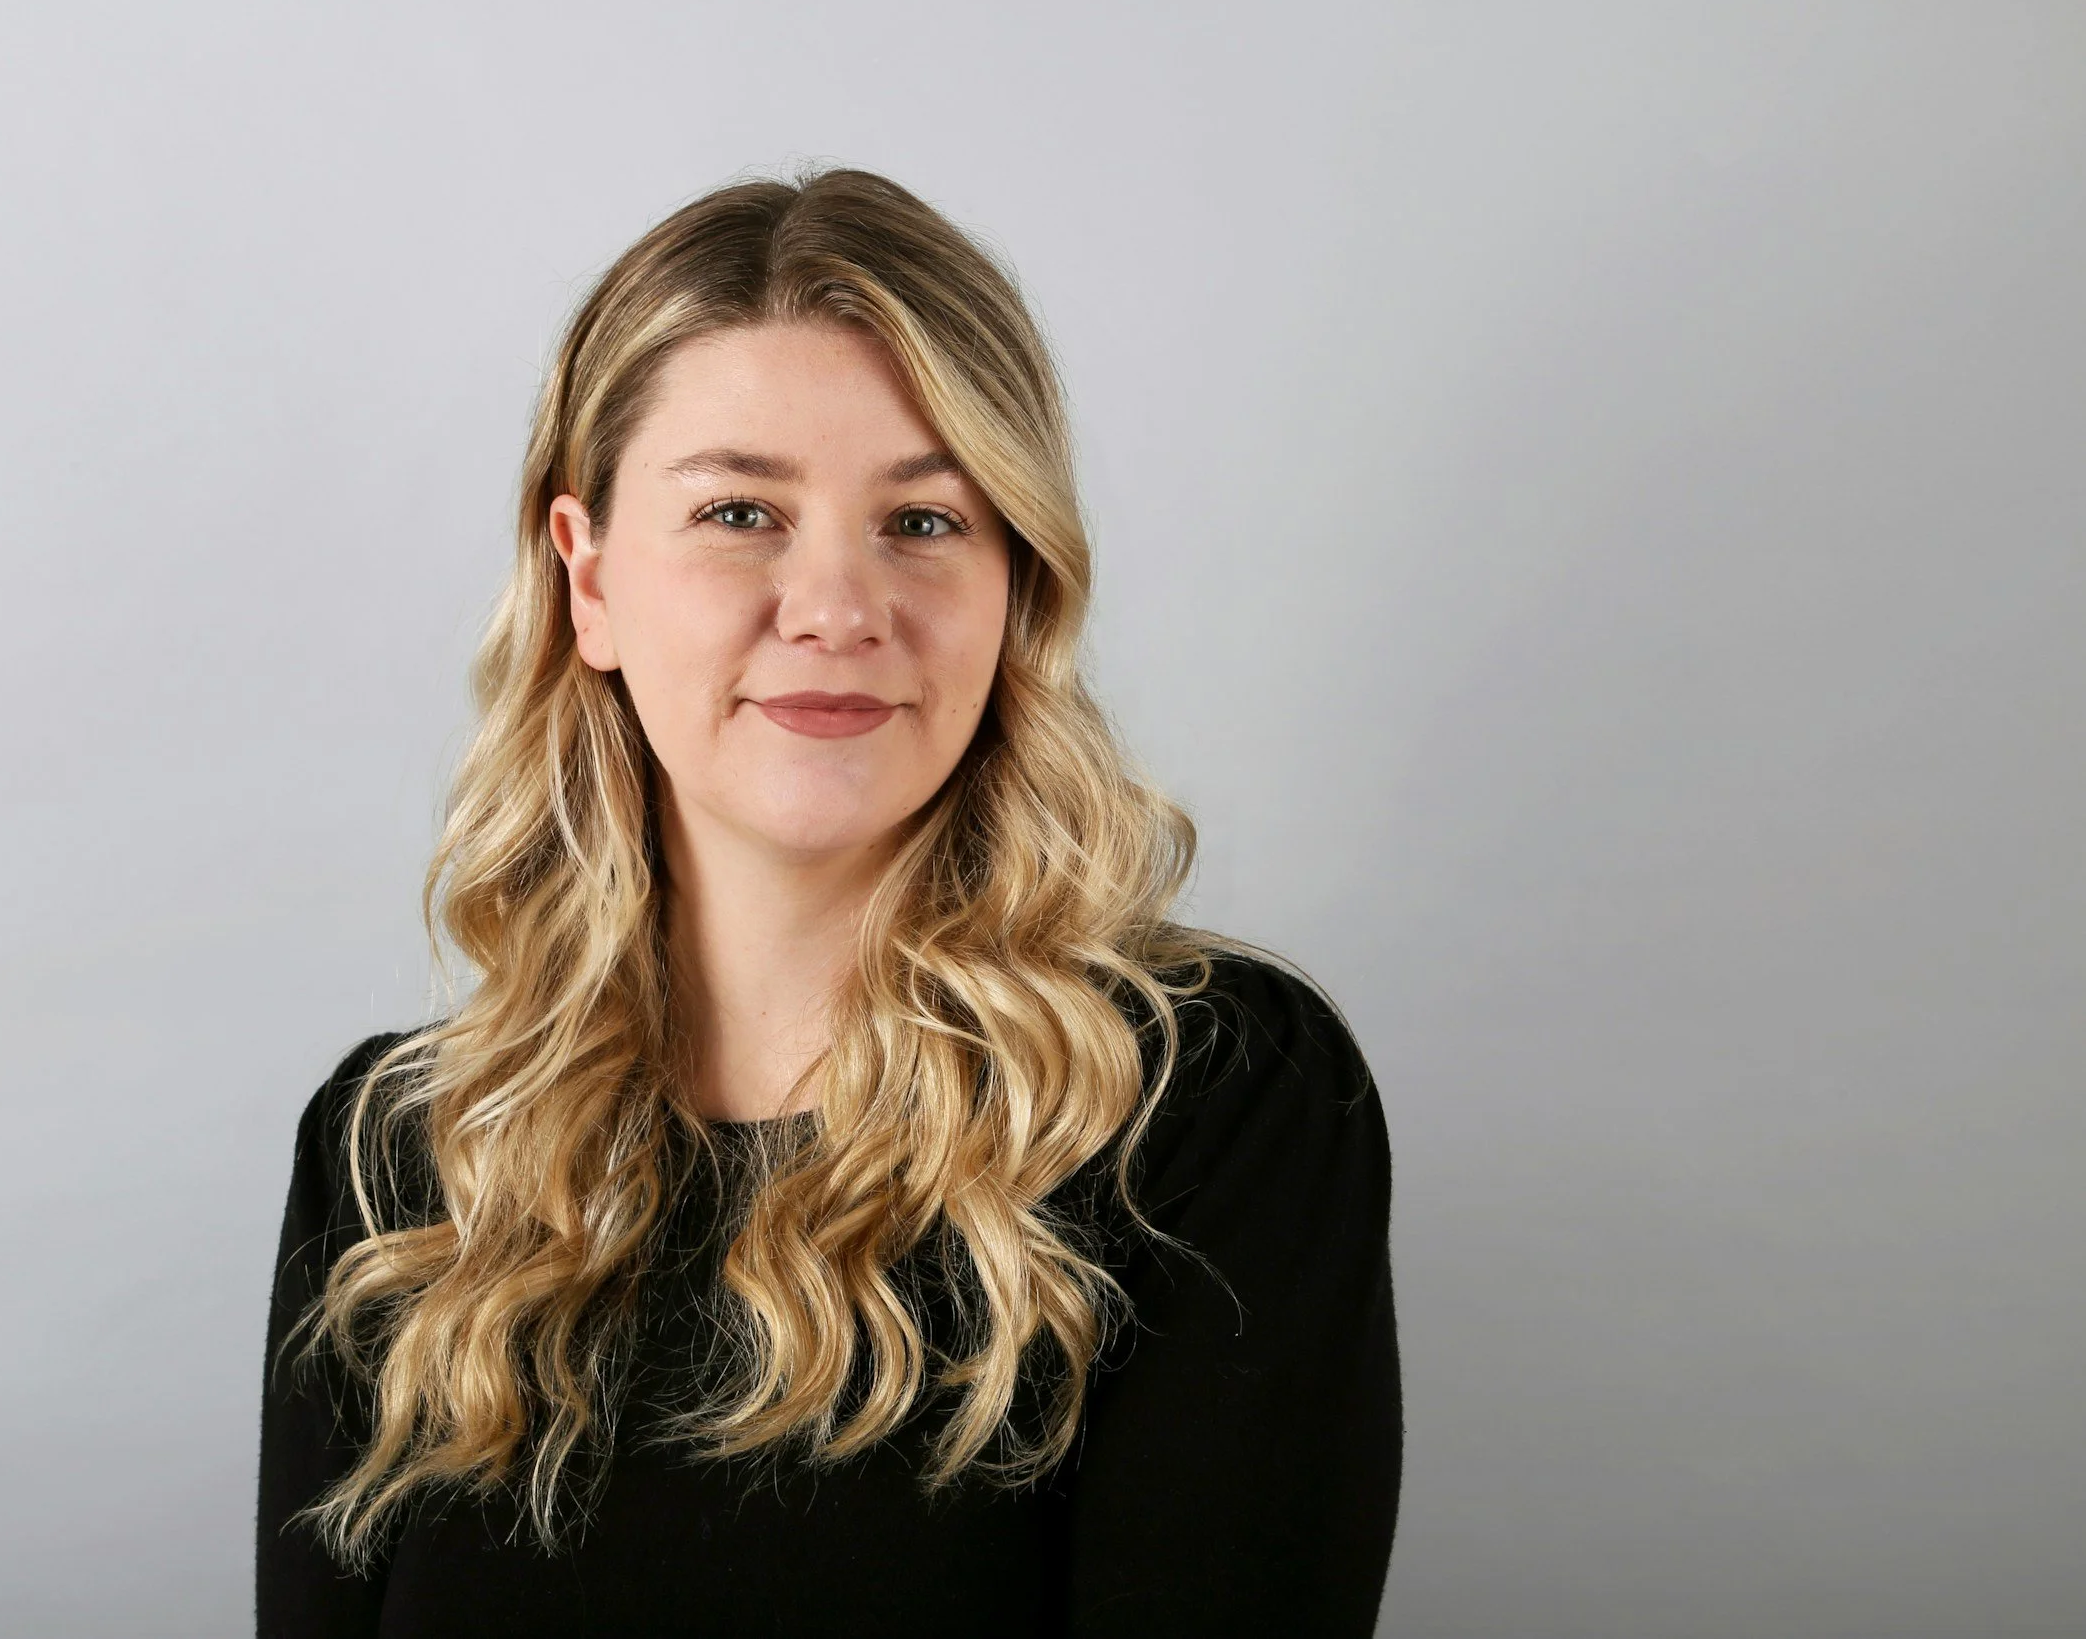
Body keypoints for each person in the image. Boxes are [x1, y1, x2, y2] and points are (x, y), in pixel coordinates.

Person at [256, 168, 1401, 1637]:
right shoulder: (398, 1160)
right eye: (741, 511)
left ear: (1017, 584)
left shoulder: (1213, 1101)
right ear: (586, 578)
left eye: (924, 522)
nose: (837, 607)